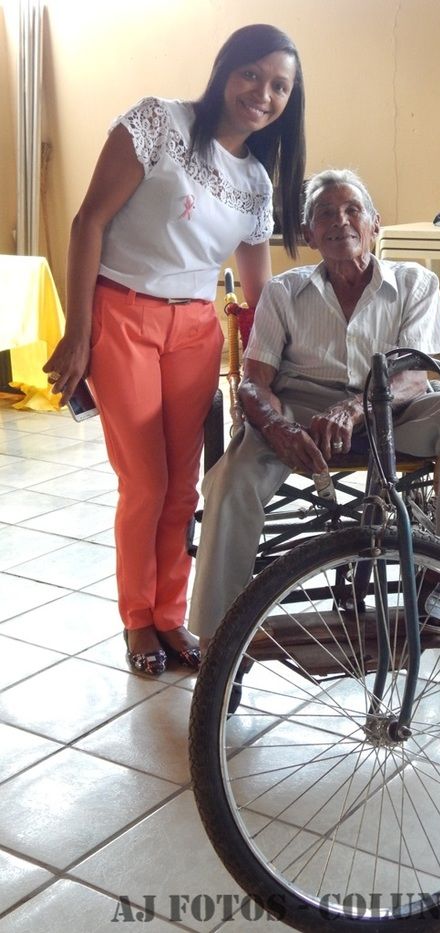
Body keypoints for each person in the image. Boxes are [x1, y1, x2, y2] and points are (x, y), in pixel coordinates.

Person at [43, 24, 306, 675]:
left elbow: (257, 291)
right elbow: (88, 222)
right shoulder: (158, 123)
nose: (262, 93)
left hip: (193, 332)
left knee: (185, 487)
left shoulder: (254, 183)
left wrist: (271, 368)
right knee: (147, 480)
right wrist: (78, 332)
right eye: (253, 74)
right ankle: (138, 620)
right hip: (120, 314)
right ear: (226, 70)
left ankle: (170, 616)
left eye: (279, 86)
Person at [189, 168, 440, 648]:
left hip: (395, 409)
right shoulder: (283, 291)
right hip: (299, 411)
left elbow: (415, 375)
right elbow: (254, 383)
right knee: (229, 484)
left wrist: (356, 408)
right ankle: (221, 640)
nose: (341, 222)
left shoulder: (415, 282)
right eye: (325, 215)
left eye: (353, 210)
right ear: (310, 235)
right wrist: (275, 426)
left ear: (375, 224)